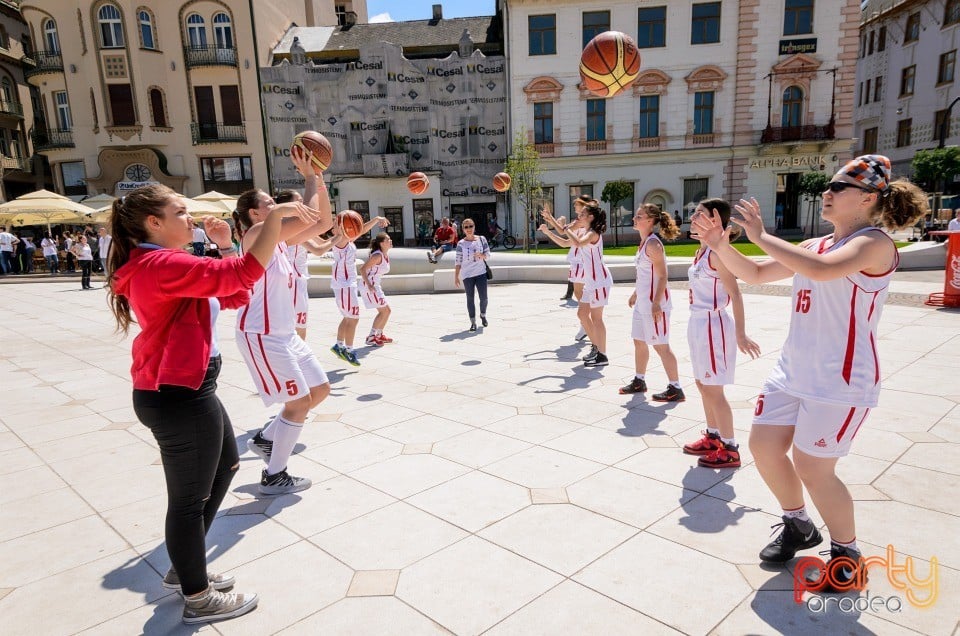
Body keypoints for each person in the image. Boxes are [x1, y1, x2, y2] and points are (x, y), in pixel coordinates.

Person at [691, 155, 927, 589]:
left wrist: (761, 234)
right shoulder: (816, 244)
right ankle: (798, 524)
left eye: (838, 187)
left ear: (869, 198)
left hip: (841, 380)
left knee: (814, 468)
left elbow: (822, 273)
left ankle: (847, 558)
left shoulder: (875, 244)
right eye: (829, 186)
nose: (827, 192)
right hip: (792, 372)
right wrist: (720, 245)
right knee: (763, 447)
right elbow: (758, 274)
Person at [107, 184, 316, 623]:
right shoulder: (159, 263)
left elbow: (234, 294)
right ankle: (197, 596)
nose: (189, 217)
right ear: (154, 223)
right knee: (187, 501)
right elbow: (239, 278)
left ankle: (185, 572)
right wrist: (272, 221)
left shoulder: (161, 262)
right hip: (175, 393)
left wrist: (224, 248)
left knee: (226, 467)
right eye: (179, 211)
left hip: (189, 388)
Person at [234, 155, 334, 496]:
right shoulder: (255, 235)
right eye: (269, 203)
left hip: (284, 334)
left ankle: (265, 438)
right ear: (254, 214)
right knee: (299, 402)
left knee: (320, 390)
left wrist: (318, 178)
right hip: (261, 335)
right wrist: (307, 178)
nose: (275, 204)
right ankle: (274, 474)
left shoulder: (278, 241)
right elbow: (305, 213)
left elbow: (322, 223)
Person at [680, 199, 762, 468]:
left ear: (717, 221)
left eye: (700, 214)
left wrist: (740, 333)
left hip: (714, 324)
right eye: (695, 213)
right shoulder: (701, 252)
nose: (694, 216)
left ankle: (730, 448)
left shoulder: (718, 255)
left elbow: (735, 294)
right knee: (703, 385)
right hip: (698, 323)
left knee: (714, 389)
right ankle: (713, 436)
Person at [620, 204, 684, 398]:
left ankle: (676, 388)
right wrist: (635, 293)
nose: (634, 219)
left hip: (656, 306)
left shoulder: (654, 245)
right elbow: (646, 275)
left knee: (661, 345)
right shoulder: (644, 242)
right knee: (639, 341)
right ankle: (639, 381)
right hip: (643, 304)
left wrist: (656, 303)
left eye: (638, 216)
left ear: (650, 220)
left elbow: (663, 276)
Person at [543, 200, 612, 366]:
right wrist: (548, 232)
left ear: (590, 217)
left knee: (597, 319)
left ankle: (602, 355)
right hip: (591, 282)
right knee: (582, 314)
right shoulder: (584, 232)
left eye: (582, 214)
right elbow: (566, 243)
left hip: (599, 281)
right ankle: (596, 348)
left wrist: (565, 228)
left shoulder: (593, 233)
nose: (578, 216)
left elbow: (579, 243)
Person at [326, 212, 388, 363]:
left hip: (345, 284)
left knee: (348, 317)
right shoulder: (339, 239)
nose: (339, 225)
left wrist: (376, 219)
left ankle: (339, 345)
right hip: (345, 284)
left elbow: (360, 230)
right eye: (336, 224)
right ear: (333, 230)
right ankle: (349, 350)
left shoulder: (345, 239)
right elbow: (359, 230)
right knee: (353, 318)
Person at [275, 189, 327, 341]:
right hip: (290, 282)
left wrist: (343, 236)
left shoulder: (300, 228)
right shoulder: (286, 229)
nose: (303, 203)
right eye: (298, 200)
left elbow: (322, 245)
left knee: (299, 328)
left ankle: (296, 359)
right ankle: (295, 360)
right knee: (296, 328)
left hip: (299, 281)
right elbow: (318, 250)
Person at [454, 218, 491, 331]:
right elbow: (458, 261)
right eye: (466, 227)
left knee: (484, 298)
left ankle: (483, 315)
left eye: (471, 226)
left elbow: (488, 255)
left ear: (474, 227)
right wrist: (456, 276)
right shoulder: (460, 244)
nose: (469, 229)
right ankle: (473, 322)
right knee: (470, 298)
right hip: (467, 275)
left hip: (481, 273)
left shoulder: (481, 239)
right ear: (463, 229)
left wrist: (482, 255)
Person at [360, 232, 395, 345]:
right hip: (370, 286)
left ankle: (379, 335)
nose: (390, 241)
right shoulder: (377, 256)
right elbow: (362, 269)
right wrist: (369, 285)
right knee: (383, 311)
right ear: (381, 243)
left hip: (375, 285)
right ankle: (371, 337)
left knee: (387, 311)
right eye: (387, 240)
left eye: (390, 239)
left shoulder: (384, 255)